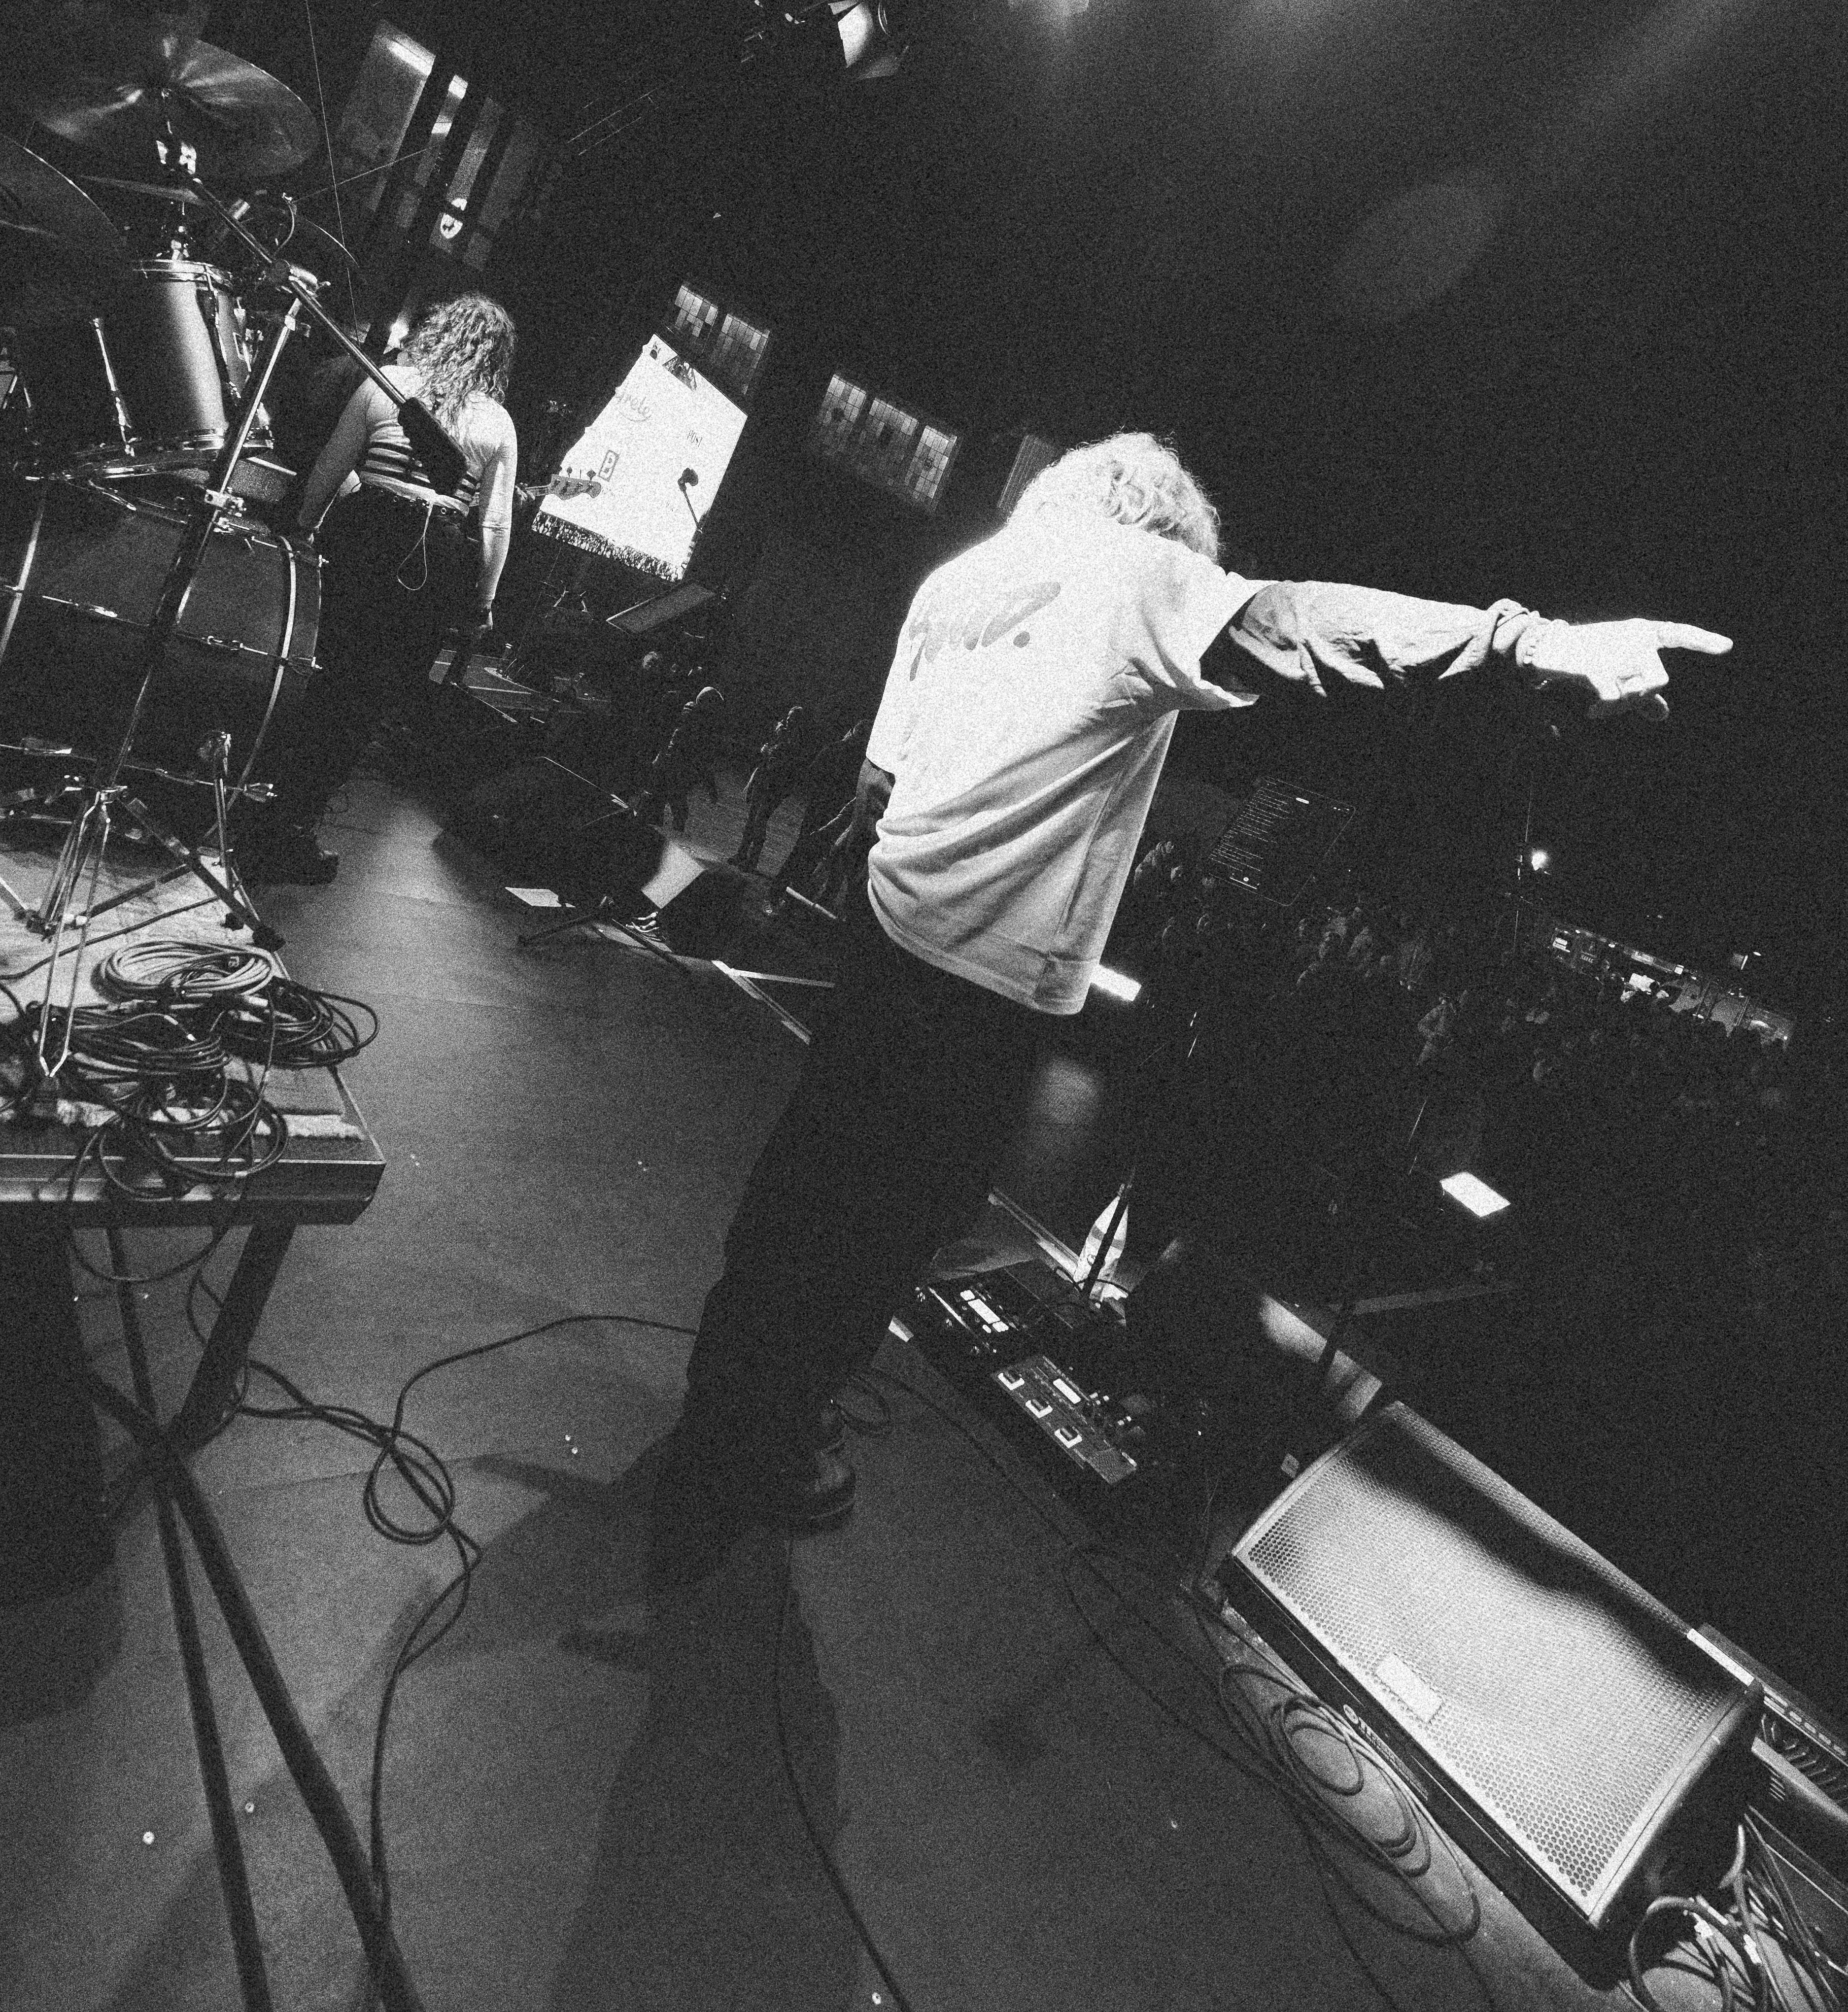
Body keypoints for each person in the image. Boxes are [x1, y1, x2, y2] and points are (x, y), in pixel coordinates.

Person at [673, 431, 1731, 1530]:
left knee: (808, 1181)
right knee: (892, 1225)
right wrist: (1525, 641)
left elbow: (876, 784)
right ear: (1167, 528)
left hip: (887, 937)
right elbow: (1304, 624)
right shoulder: (1137, 572)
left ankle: (722, 1402)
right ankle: (765, 1437)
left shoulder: (963, 576)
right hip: (980, 986)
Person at [243, 292, 518, 881]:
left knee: (318, 672)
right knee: (367, 700)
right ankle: (296, 830)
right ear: (496, 357)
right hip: (436, 554)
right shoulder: (496, 421)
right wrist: (485, 600)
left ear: (437, 332)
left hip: (365, 530)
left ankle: (257, 808)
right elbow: (495, 522)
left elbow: (332, 466)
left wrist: (301, 528)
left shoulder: (385, 385)